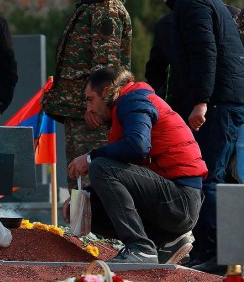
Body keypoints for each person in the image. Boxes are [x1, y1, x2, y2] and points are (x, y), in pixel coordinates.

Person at [64, 67, 207, 265]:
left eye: (90, 99)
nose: (88, 109)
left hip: (181, 201)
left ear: (106, 92)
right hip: (174, 200)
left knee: (100, 166)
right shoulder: (126, 104)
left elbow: (137, 146)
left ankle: (140, 249)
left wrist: (90, 157)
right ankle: (166, 241)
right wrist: (84, 197)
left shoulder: (132, 100)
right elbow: (128, 172)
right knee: (92, 208)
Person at [155, 0, 244, 274]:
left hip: (217, 102)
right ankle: (213, 252)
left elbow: (205, 52)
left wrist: (201, 102)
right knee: (212, 176)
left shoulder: (192, 2)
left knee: (210, 177)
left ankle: (221, 255)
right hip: (224, 98)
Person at [43, 0, 132, 190]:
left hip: (91, 118)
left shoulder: (106, 8)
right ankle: (80, 229)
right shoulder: (91, 7)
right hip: (81, 113)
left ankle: (93, 230)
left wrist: (95, 108)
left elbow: (106, 66)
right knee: (77, 181)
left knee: (90, 182)